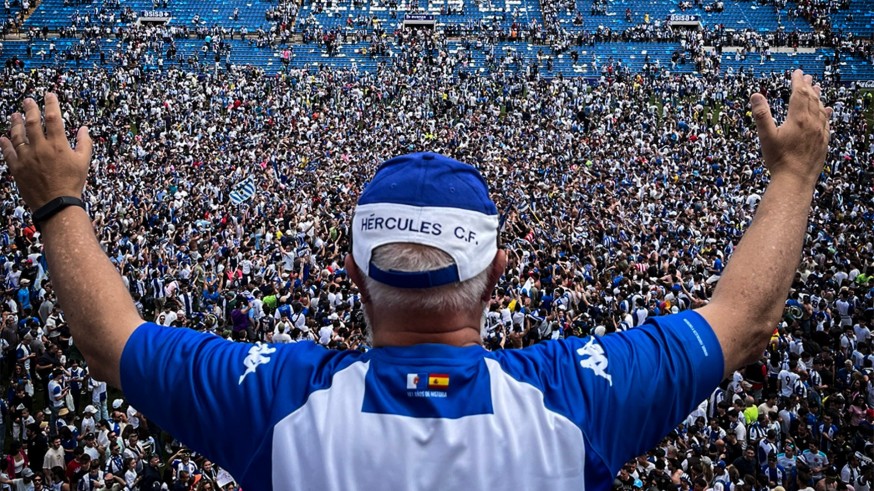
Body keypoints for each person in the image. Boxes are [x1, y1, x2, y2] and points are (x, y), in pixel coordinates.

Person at [0, 69, 832, 490]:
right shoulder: (572, 406)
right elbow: (745, 316)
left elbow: (114, 343)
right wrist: (794, 173)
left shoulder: (284, 407)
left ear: (353, 273)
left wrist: (57, 202)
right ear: (497, 276)